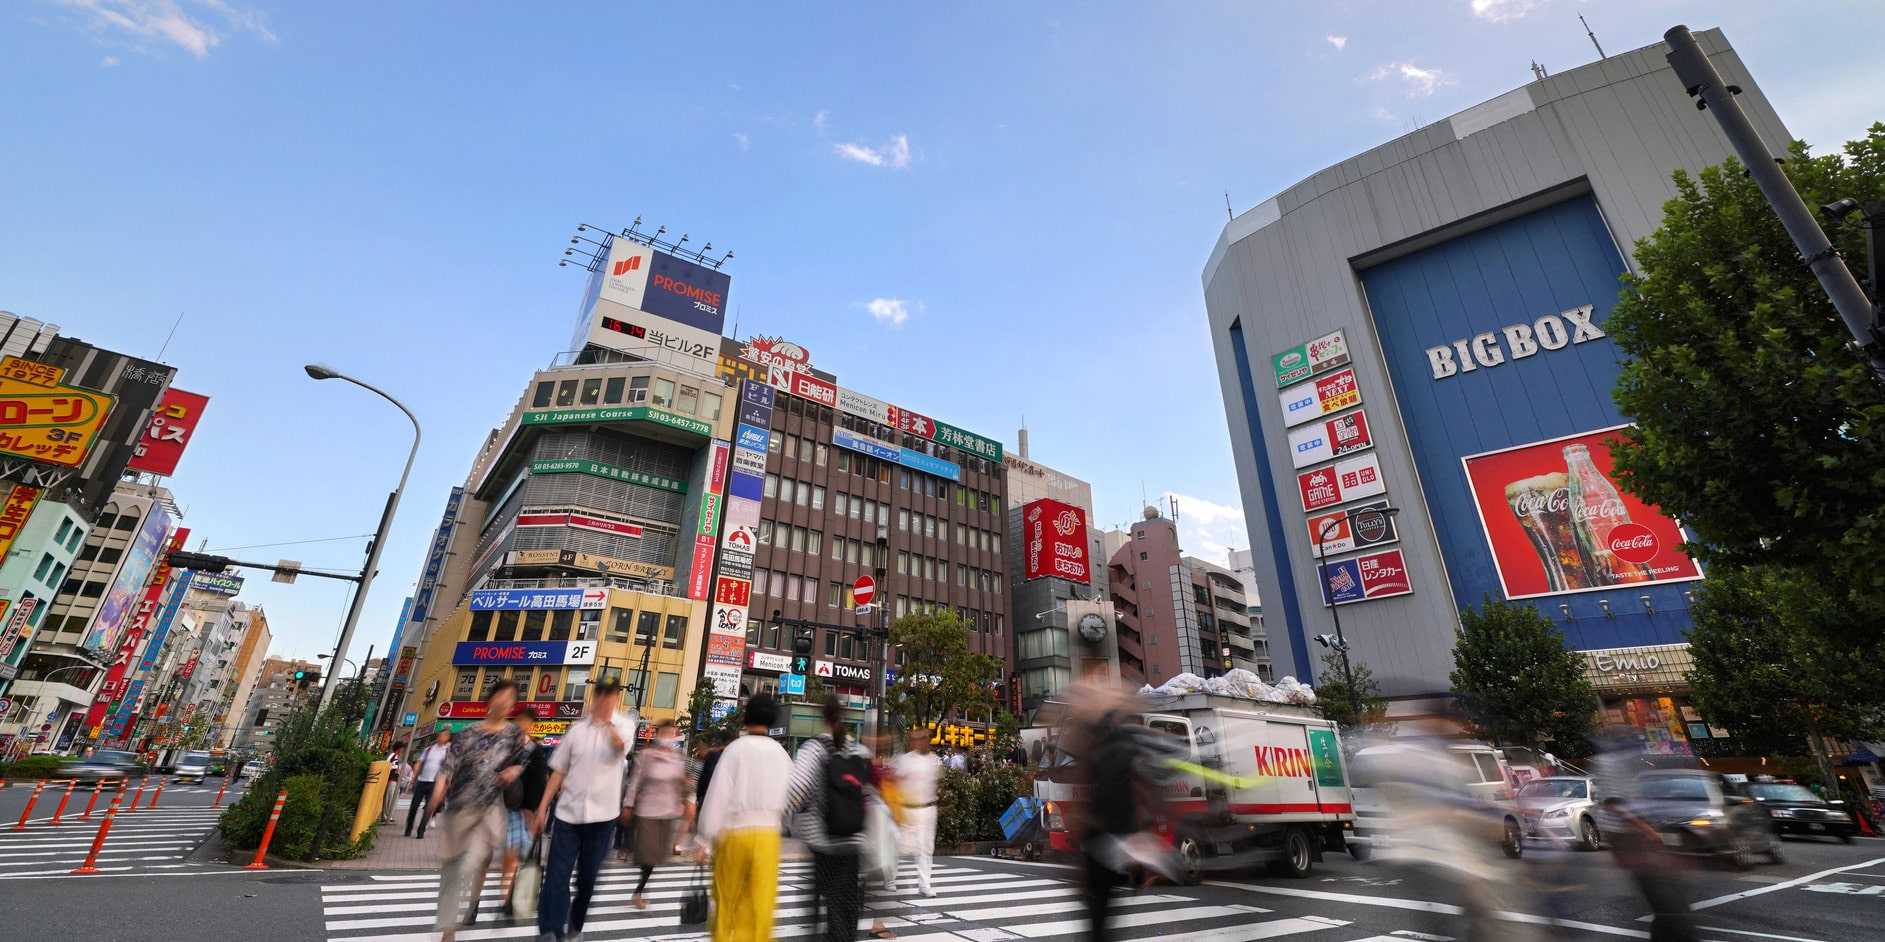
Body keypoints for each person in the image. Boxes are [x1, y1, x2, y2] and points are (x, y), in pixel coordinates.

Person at [533, 680, 635, 942]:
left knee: (587, 881)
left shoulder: (624, 725)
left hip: (602, 818)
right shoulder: (577, 730)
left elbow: (620, 750)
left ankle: (575, 925)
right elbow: (559, 770)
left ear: (616, 698)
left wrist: (606, 723)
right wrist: (542, 808)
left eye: (610, 694)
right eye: (601, 693)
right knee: (556, 876)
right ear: (595, 694)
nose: (605, 698)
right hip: (568, 814)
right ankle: (550, 931)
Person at [429, 681, 527, 942]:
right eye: (501, 696)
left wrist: (512, 772)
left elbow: (519, 762)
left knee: (469, 863)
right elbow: (448, 767)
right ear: (490, 700)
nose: (505, 702)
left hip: (489, 812)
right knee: (451, 872)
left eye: (510, 699)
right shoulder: (466, 733)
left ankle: (460, 916)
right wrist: (439, 790)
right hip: (459, 809)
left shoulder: (511, 735)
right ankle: (448, 930)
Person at [696, 693, 792, 942]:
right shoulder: (781, 754)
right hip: (768, 836)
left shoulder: (735, 750)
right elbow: (792, 797)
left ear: (746, 719)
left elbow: (718, 795)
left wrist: (705, 840)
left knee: (727, 900)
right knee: (760, 905)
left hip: (734, 834)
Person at [789, 695, 875, 942]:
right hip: (853, 841)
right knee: (846, 904)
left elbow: (796, 788)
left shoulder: (814, 749)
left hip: (824, 841)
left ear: (823, 718)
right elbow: (869, 795)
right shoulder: (859, 750)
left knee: (821, 904)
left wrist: (782, 818)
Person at [623, 720, 693, 910]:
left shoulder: (677, 758)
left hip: (667, 811)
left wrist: (685, 797)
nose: (670, 735)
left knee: (655, 856)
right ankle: (638, 890)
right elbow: (635, 781)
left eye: (672, 732)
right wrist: (628, 804)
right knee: (648, 854)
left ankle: (639, 886)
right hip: (648, 810)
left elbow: (680, 783)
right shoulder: (647, 756)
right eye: (667, 732)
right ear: (659, 734)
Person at [500, 706, 552, 915]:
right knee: (511, 854)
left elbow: (540, 781)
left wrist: (535, 809)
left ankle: (517, 895)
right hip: (508, 807)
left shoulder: (535, 750)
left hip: (526, 810)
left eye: (525, 721)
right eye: (518, 720)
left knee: (523, 854)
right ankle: (509, 897)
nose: (521, 724)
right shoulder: (508, 747)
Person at [891, 728, 942, 897]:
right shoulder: (905, 760)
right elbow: (895, 783)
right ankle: (890, 877)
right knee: (899, 847)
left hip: (927, 808)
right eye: (917, 739)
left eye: (924, 739)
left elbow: (938, 783)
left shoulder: (934, 760)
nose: (921, 742)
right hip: (907, 809)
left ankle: (924, 884)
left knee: (926, 848)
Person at [407, 731, 452, 838]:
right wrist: (415, 773)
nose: (441, 737)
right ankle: (408, 828)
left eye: (445, 736)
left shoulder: (449, 752)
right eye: (440, 735)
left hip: (435, 783)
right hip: (422, 781)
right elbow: (419, 762)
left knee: (429, 807)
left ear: (448, 739)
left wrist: (446, 785)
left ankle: (421, 831)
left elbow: (450, 769)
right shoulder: (429, 749)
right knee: (414, 806)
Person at [380, 750, 404, 824]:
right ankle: (385, 816)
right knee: (389, 798)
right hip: (391, 780)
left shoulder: (396, 756)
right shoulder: (393, 755)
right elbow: (387, 765)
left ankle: (388, 815)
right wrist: (395, 768)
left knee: (393, 798)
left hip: (395, 780)